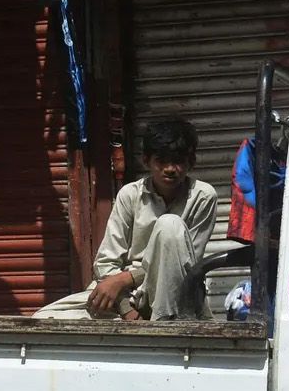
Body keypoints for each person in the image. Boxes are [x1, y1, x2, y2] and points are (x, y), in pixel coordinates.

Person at [37, 119, 215, 321]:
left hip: (176, 296)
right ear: (146, 161)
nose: (170, 169)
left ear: (191, 162)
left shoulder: (203, 196)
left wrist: (126, 277)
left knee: (170, 225)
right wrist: (128, 311)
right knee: (44, 318)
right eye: (161, 161)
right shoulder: (130, 195)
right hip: (126, 296)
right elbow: (105, 264)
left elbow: (185, 266)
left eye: (178, 161)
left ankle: (165, 326)